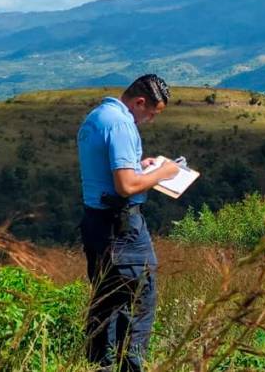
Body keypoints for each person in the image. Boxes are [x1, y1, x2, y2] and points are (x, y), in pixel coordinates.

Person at [78, 74, 178, 371]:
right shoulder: (122, 124)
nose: (149, 121)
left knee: (106, 303)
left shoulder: (98, 116)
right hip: (122, 230)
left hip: (96, 223)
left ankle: (100, 367)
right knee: (139, 303)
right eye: (150, 114)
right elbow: (126, 186)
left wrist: (140, 166)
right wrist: (164, 172)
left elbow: (113, 172)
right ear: (140, 102)